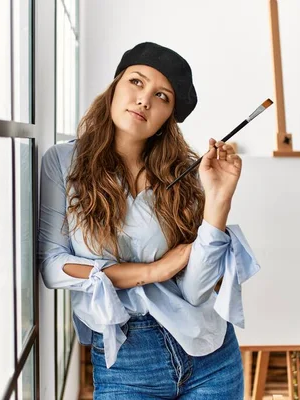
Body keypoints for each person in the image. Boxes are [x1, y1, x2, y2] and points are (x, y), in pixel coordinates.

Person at [38, 42, 260, 399]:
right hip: (127, 359)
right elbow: (53, 267)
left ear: (168, 117)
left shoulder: (183, 174)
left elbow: (194, 289)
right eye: (136, 82)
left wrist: (219, 201)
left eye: (161, 96)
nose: (144, 100)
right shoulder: (62, 163)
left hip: (209, 356)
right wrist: (152, 271)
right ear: (114, 87)